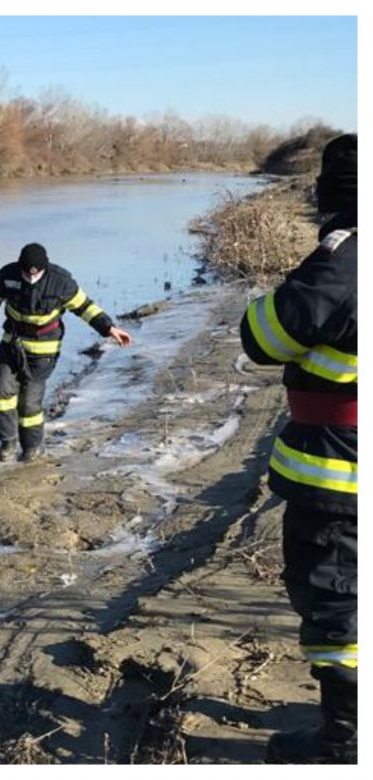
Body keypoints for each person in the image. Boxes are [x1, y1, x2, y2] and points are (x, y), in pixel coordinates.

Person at [239, 133, 357, 764]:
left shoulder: (344, 262)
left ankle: (344, 741)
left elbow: (263, 336)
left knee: (333, 594)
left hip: (341, 470)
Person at [0, 243, 133, 463]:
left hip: (44, 351)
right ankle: (7, 446)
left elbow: (86, 308)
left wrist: (109, 329)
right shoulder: (7, 276)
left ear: (45, 268)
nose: (31, 278)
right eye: (26, 273)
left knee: (29, 405)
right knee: (2, 392)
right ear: (20, 267)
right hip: (12, 345)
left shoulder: (61, 282)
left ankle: (31, 450)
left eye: (36, 274)